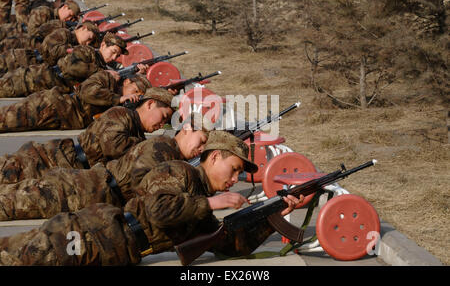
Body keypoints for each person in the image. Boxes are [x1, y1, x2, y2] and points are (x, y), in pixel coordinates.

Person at [0, 131, 303, 265]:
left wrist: (274, 216)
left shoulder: (199, 208)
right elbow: (159, 210)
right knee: (19, 258)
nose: (234, 180)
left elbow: (233, 247)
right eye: (233, 169)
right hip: (94, 234)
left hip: (115, 249)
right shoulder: (179, 171)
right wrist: (212, 203)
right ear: (215, 157)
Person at [0, 113, 212, 221]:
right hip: (88, 189)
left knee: (16, 197)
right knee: (14, 203)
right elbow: (142, 185)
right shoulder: (163, 149)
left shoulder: (168, 151)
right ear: (186, 129)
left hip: (91, 188)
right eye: (200, 140)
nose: (200, 149)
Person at [0, 87, 174, 185]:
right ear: (150, 104)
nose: (161, 124)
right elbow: (113, 145)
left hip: (71, 169)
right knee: (8, 172)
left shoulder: (137, 132)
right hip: (56, 158)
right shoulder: (121, 114)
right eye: (163, 116)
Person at [0, 70, 150, 133]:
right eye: (135, 90)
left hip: (62, 119)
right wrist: (117, 98)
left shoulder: (125, 106)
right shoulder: (107, 79)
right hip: (54, 106)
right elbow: (87, 91)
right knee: (6, 120)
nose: (135, 96)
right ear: (127, 82)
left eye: (139, 95)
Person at [0, 32, 136, 98]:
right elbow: (72, 67)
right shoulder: (87, 51)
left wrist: (135, 71)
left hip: (42, 89)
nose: (113, 57)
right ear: (103, 45)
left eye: (117, 56)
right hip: (33, 79)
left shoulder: (101, 66)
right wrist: (103, 73)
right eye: (113, 52)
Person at [0, 21, 99, 75]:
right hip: (19, 59)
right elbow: (51, 50)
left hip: (30, 68)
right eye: (89, 38)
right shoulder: (64, 33)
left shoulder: (73, 41)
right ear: (83, 28)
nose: (88, 43)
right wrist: (73, 50)